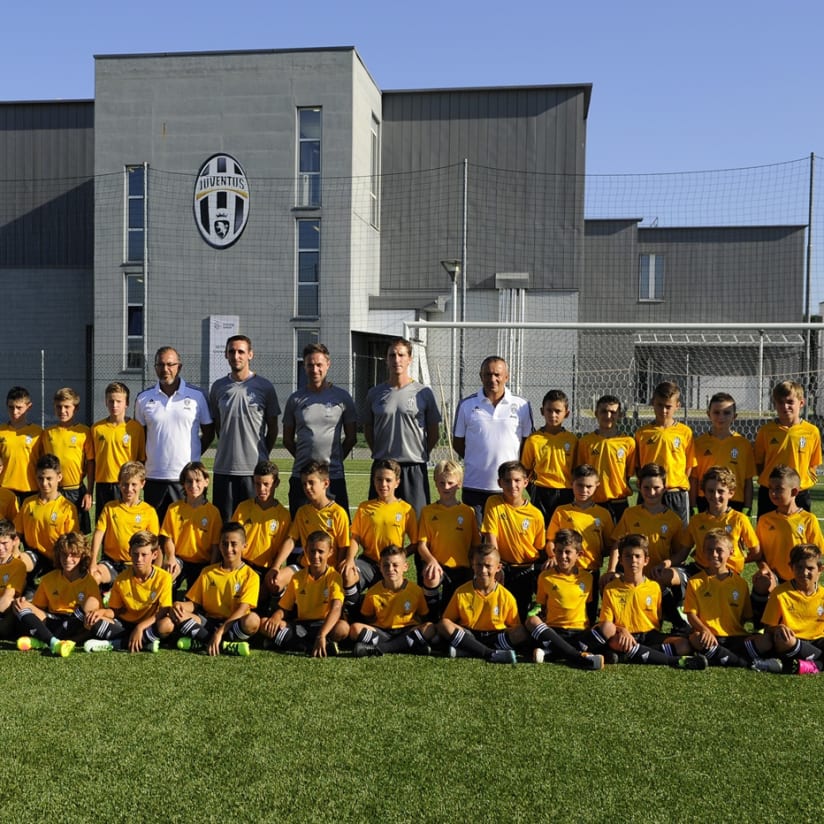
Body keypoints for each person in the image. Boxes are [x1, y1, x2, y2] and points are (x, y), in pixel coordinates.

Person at [591, 534, 707, 669]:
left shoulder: (655, 587)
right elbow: (606, 623)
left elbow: (668, 616)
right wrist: (621, 630)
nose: (633, 560)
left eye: (637, 556)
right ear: (621, 560)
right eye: (628, 556)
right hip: (624, 635)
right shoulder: (611, 588)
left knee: (684, 645)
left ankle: (631, 655)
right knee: (615, 642)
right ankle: (670, 660)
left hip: (650, 636)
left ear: (646, 560)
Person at [671, 529, 780, 671]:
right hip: (709, 636)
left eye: (719, 550)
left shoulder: (740, 583)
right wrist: (704, 630)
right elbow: (691, 615)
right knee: (695, 639)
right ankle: (749, 663)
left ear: (731, 552)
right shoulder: (695, 582)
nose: (714, 554)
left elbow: (745, 617)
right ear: (703, 551)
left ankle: (717, 657)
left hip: (735, 636)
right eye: (709, 550)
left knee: (765, 641)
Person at [362, 337, 441, 517]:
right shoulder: (374, 393)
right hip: (383, 467)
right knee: (380, 521)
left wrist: (421, 453)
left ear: (410, 358)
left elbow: (434, 432)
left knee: (418, 522)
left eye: (401, 355)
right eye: (392, 355)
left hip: (413, 467)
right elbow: (368, 428)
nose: (396, 359)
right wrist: (379, 451)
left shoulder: (424, 393)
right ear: (386, 359)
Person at [135, 346, 214, 522]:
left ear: (179, 367)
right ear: (155, 367)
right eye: (161, 365)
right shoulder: (143, 398)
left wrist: (193, 456)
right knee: (155, 532)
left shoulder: (197, 397)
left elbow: (209, 433)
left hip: (186, 479)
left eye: (170, 364)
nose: (165, 369)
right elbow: (141, 437)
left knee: (187, 531)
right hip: (154, 476)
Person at [607, 463, 688, 632]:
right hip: (631, 572)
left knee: (662, 579)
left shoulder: (673, 519)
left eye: (656, 488)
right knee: (608, 581)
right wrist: (611, 569)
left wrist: (665, 564)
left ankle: (677, 621)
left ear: (665, 488)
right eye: (647, 487)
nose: (652, 492)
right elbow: (617, 544)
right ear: (639, 487)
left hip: (656, 573)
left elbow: (680, 552)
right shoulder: (630, 514)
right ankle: (614, 622)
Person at [453, 356, 533, 524]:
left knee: (506, 541)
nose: (493, 379)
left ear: (506, 376)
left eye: (497, 374)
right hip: (475, 485)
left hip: (508, 487)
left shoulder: (522, 405)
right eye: (488, 374)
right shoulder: (467, 405)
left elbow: (527, 444)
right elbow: (458, 443)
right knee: (477, 542)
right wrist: (478, 458)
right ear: (481, 376)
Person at [209, 335, 280, 522]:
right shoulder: (218, 387)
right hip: (224, 469)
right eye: (231, 351)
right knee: (226, 525)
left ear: (250, 354)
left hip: (253, 470)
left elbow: (272, 429)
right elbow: (218, 425)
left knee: (251, 525)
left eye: (241, 351)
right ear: (225, 354)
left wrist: (262, 453)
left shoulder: (265, 387)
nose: (236, 356)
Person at [282, 343, 357, 517]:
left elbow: (351, 437)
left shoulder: (342, 397)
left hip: (333, 476)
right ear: (304, 366)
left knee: (337, 531)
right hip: (302, 476)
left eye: (319, 365)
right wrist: (307, 461)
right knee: (301, 531)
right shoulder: (295, 399)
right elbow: (287, 439)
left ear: (328, 365)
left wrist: (334, 460)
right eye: (310, 365)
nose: (314, 369)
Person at [171, 521, 261, 656]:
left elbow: (243, 610)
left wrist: (220, 631)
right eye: (225, 544)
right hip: (208, 623)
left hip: (232, 623)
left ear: (244, 546)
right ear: (219, 545)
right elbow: (194, 604)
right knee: (176, 614)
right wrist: (180, 605)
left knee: (253, 620)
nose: (229, 549)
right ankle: (225, 645)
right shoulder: (208, 572)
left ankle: (203, 641)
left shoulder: (251, 576)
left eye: (234, 544)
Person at [340, 459, 418, 611]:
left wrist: (399, 558)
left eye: (388, 480)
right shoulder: (365, 507)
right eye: (379, 479)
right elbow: (355, 537)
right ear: (373, 481)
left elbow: (415, 542)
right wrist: (349, 560)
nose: (383, 484)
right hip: (369, 562)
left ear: (397, 482)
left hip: (391, 565)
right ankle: (354, 612)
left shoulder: (406, 509)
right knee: (348, 573)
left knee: (390, 606)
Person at [260, 530, 349, 657]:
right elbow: (284, 608)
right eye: (312, 551)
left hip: (324, 624)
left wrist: (322, 634)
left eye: (321, 552)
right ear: (306, 550)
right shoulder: (297, 577)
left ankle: (288, 642)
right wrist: (276, 617)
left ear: (330, 552)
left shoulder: (334, 577)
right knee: (264, 624)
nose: (315, 556)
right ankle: (314, 646)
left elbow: (336, 608)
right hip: (301, 626)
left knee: (343, 628)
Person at [265, 461, 348, 595]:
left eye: (311, 483)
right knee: (276, 580)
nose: (307, 487)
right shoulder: (302, 512)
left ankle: (346, 609)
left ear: (325, 483)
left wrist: (336, 575)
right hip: (304, 567)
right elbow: (291, 539)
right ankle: (291, 606)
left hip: (329, 570)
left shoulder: (338, 513)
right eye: (304, 484)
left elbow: (344, 547)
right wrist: (275, 566)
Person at [525, 529, 604, 670]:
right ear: (554, 551)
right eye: (559, 551)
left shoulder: (588, 578)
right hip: (554, 631)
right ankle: (579, 656)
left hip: (579, 631)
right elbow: (542, 606)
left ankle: (552, 653)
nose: (563, 556)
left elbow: (589, 608)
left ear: (579, 555)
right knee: (531, 621)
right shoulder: (545, 577)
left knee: (608, 627)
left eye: (568, 552)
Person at [751, 465, 824, 617]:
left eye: (779, 489)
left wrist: (810, 577)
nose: (773, 493)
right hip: (775, 575)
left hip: (800, 575)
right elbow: (760, 555)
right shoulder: (765, 520)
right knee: (761, 581)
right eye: (771, 488)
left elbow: (817, 555)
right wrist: (765, 569)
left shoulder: (808, 520)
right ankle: (760, 622)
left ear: (794, 492)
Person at [83, 530, 173, 653]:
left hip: (148, 625)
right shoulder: (121, 579)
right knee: (91, 621)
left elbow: (163, 611)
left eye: (144, 555)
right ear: (129, 553)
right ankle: (144, 643)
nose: (139, 559)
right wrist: (101, 612)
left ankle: (114, 644)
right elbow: (115, 610)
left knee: (167, 625)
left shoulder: (164, 578)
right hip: (124, 625)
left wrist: (140, 627)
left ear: (154, 555)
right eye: (135, 554)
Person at [13, 531, 100, 658]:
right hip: (53, 619)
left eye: (73, 555)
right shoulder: (49, 579)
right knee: (19, 605)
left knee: (92, 604)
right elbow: (39, 609)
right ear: (58, 555)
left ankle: (46, 640)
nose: (68, 559)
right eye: (64, 554)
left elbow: (94, 616)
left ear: (82, 556)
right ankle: (54, 642)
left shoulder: (89, 581)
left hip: (75, 621)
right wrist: (25, 605)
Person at [545, 463, 614, 621]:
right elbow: (551, 540)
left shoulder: (603, 514)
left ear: (597, 486)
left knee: (588, 616)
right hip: (564, 572)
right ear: (572, 484)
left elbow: (610, 545)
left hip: (590, 572)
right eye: (580, 486)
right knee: (562, 613)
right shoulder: (561, 511)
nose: (584, 491)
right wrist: (552, 556)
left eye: (589, 486)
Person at [437, 544, 526, 664]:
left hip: (495, 637)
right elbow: (447, 621)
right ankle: (490, 653)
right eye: (479, 565)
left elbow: (514, 627)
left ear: (498, 567)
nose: (483, 570)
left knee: (521, 631)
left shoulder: (507, 597)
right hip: (469, 635)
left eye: (488, 566)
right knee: (443, 624)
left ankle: (470, 650)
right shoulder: (461, 592)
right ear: (472, 565)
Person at [480, 460, 545, 619]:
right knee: (497, 610)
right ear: (499, 483)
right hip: (502, 567)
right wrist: (497, 566)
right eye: (507, 481)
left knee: (520, 614)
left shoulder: (535, 514)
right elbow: (491, 537)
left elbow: (540, 547)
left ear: (525, 482)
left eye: (517, 480)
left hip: (526, 568)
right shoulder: (494, 503)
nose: (512, 485)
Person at [417, 459, 480, 615]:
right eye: (442, 483)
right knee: (431, 577)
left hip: (462, 567)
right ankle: (431, 616)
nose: (446, 487)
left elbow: (475, 545)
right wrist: (431, 561)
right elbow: (421, 545)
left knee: (454, 610)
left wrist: (475, 567)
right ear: (435, 483)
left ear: (459, 483)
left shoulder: (468, 512)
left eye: (450, 483)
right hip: (438, 566)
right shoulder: (428, 511)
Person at [349, 544, 435, 657]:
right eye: (385, 565)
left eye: (395, 565)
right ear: (380, 567)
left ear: (405, 567)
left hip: (406, 630)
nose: (390, 569)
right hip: (382, 632)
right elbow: (368, 618)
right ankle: (409, 646)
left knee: (430, 628)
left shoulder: (416, 591)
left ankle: (380, 648)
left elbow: (423, 616)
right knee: (355, 629)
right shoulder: (373, 592)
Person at [750, 543, 824, 674]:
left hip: (818, 641)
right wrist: (778, 628)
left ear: (820, 569)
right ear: (791, 567)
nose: (804, 572)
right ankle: (814, 664)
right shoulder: (780, 593)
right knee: (783, 639)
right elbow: (768, 627)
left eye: (810, 568)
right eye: (799, 567)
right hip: (791, 641)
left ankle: (801, 666)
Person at [754, 380, 821, 518]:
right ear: (775, 404)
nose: (785, 406)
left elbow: (813, 463)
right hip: (770, 492)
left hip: (799, 492)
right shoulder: (766, 431)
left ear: (801, 403)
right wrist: (771, 482)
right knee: (766, 534)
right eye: (780, 402)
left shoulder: (812, 432)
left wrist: (802, 481)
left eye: (790, 402)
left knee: (799, 536)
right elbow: (759, 463)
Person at [675, 466, 758, 576]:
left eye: (721, 491)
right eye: (710, 491)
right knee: (667, 575)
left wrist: (736, 561)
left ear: (731, 493)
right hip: (700, 570)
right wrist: (665, 564)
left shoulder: (739, 519)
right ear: (704, 492)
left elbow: (756, 552)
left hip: (727, 573)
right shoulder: (696, 520)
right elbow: (683, 553)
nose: (715, 495)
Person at [230, 459, 291, 609]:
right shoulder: (243, 508)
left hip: (264, 570)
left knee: (254, 604)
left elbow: (283, 549)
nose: (261, 489)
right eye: (257, 484)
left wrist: (274, 569)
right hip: (241, 566)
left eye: (266, 484)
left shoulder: (283, 515)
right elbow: (232, 539)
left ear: (276, 483)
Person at [634, 381, 695, 528]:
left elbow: (689, 465)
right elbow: (637, 465)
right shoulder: (642, 433)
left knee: (679, 536)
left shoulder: (685, 432)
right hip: (649, 492)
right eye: (659, 405)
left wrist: (676, 483)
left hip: (675, 493)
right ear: (653, 403)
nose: (663, 410)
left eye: (668, 406)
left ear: (677, 406)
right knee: (645, 533)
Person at [90, 461, 160, 586]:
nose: (129, 489)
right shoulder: (110, 508)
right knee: (94, 576)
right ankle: (97, 603)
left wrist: (154, 570)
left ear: (142, 484)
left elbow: (154, 544)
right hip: (111, 563)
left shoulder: (149, 512)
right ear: (119, 483)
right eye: (125, 484)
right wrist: (93, 561)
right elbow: (98, 534)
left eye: (134, 484)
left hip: (137, 564)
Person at [15, 454, 79, 581]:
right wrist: (15, 551)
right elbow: (17, 533)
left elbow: (73, 541)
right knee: (17, 562)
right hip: (34, 555)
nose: (44, 483)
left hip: (59, 559)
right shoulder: (28, 503)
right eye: (40, 478)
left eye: (49, 478)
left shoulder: (67, 508)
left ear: (59, 477)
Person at [160, 461, 222, 589]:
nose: (193, 485)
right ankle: (167, 605)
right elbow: (168, 538)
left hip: (202, 563)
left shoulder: (213, 512)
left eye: (198, 480)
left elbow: (216, 547)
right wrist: (171, 557)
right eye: (189, 481)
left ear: (206, 482)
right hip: (180, 560)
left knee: (196, 597)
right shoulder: (174, 509)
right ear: (183, 483)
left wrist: (210, 569)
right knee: (168, 572)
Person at [690, 393, 754, 514]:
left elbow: (748, 480)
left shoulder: (743, 444)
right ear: (708, 414)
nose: (721, 417)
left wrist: (748, 506)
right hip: (705, 498)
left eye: (726, 413)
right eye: (716, 412)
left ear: (734, 416)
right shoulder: (698, 443)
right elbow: (693, 478)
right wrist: (692, 504)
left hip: (734, 499)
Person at [577, 394, 636, 525]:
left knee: (619, 542)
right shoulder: (585, 442)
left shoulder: (628, 442)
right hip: (593, 501)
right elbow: (580, 473)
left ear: (620, 415)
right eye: (604, 411)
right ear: (596, 413)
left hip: (618, 501)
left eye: (613, 412)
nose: (608, 416)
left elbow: (629, 473)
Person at [521, 389, 577, 526]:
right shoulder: (534, 439)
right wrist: (533, 490)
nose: (553, 415)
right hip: (541, 491)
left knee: (564, 530)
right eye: (549, 410)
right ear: (542, 411)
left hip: (566, 491)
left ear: (567, 413)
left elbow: (576, 468)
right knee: (542, 527)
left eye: (558, 411)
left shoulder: (572, 440)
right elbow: (525, 469)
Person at [42, 387, 94, 533]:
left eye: (67, 407)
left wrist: (89, 491)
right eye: (59, 407)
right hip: (53, 490)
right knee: (54, 530)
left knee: (77, 534)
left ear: (75, 408)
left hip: (75, 490)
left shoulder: (83, 432)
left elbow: (90, 462)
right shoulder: (48, 433)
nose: (62, 410)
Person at [91, 381, 146, 512]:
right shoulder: (97, 428)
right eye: (111, 401)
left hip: (126, 484)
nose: (114, 405)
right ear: (106, 402)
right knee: (104, 523)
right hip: (103, 484)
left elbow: (141, 460)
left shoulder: (135, 428)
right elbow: (92, 460)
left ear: (126, 403)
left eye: (118, 401)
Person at [0, 385, 43, 503]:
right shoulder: (1, 431)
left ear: (29, 407)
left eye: (19, 407)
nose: (14, 411)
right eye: (11, 407)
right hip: (5, 489)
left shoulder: (38, 433)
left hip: (31, 489)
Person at [0, 519, 26, 638]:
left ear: (14, 541)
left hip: (4, 611)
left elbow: (6, 599)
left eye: (4, 543)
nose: (0, 548)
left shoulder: (17, 566)